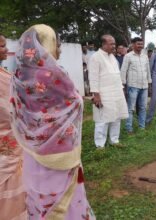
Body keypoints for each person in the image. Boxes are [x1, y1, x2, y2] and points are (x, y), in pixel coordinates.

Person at [10, 24, 95, 219]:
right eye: (56, 42)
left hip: (33, 148)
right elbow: (75, 102)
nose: (60, 48)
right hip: (59, 150)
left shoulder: (19, 76)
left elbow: (15, 107)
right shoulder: (54, 74)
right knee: (66, 197)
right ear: (45, 44)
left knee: (41, 194)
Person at [0, 33, 27, 220]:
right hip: (7, 145)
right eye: (2, 46)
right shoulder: (6, 79)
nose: (5, 49)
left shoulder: (6, 76)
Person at [88, 34, 128, 148]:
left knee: (117, 117)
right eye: (111, 44)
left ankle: (114, 141)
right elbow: (93, 77)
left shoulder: (112, 57)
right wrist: (96, 95)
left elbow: (117, 75)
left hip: (116, 92)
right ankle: (100, 145)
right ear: (104, 44)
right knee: (102, 119)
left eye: (114, 43)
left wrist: (121, 90)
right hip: (103, 93)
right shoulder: (96, 57)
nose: (114, 46)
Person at [121, 37, 151, 134]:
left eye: (141, 44)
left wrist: (149, 82)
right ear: (133, 45)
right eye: (138, 44)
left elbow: (148, 70)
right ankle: (129, 128)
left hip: (144, 85)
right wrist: (123, 84)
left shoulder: (145, 56)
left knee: (143, 107)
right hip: (133, 86)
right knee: (131, 108)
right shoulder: (128, 56)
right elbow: (123, 71)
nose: (140, 46)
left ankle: (142, 127)